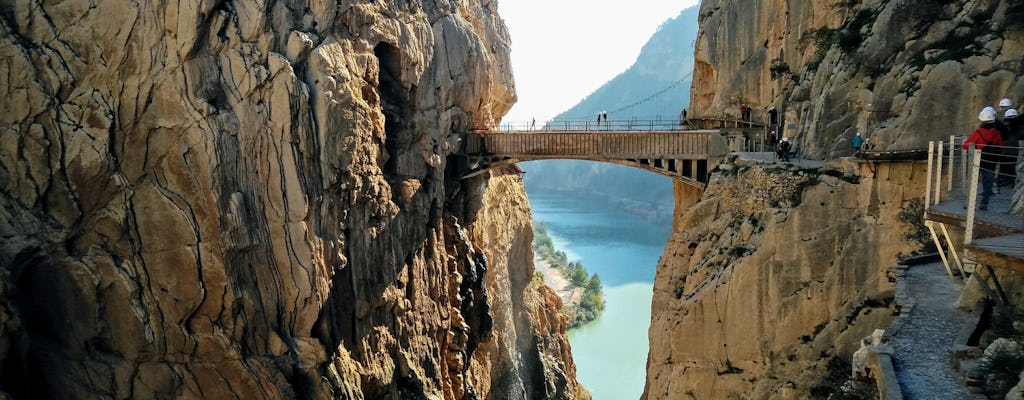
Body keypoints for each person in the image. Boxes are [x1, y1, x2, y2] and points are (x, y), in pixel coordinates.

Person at [962, 107, 1005, 211]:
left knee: (973, 182)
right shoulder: (997, 133)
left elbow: (965, 145)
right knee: (988, 183)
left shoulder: (978, 133)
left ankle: (970, 203)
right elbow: (1001, 146)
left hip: (978, 159)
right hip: (991, 161)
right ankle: (984, 204)